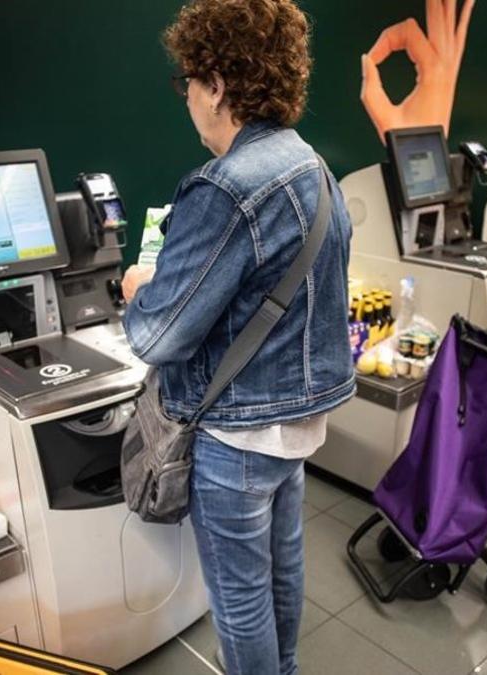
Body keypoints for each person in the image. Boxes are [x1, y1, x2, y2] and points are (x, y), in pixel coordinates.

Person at [119, 1, 355, 673]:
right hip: (298, 421)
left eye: (188, 81)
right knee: (283, 569)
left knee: (239, 597)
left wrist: (140, 289)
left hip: (237, 432)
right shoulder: (312, 166)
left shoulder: (226, 188)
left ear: (217, 83)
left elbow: (161, 332)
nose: (187, 96)